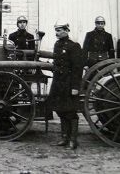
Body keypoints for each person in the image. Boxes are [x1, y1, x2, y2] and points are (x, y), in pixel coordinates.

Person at [48, 21, 83, 150]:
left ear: (67, 31)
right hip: (58, 82)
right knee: (61, 110)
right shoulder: (57, 44)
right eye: (56, 30)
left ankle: (73, 140)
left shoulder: (74, 46)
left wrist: (75, 87)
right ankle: (64, 137)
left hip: (69, 83)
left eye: (59, 30)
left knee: (71, 112)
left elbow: (77, 69)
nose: (57, 33)